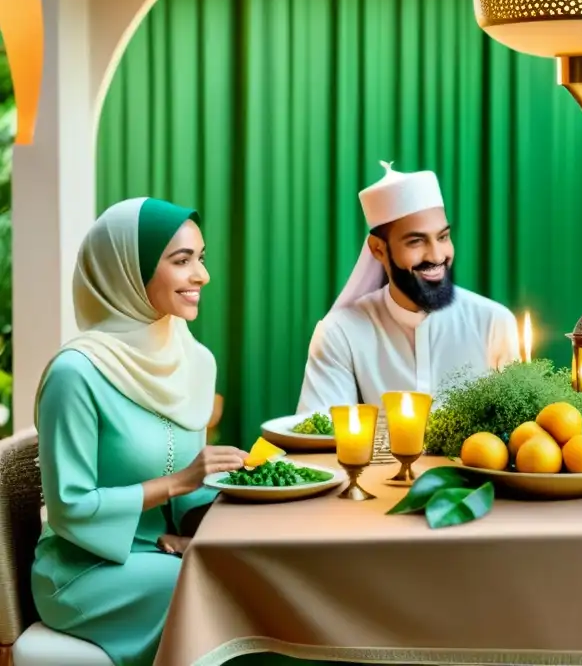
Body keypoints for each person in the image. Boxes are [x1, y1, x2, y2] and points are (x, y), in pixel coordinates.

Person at [31, 197, 249, 666]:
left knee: (261, 578)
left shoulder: (194, 360)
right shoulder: (77, 374)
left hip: (164, 554)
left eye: (201, 258)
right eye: (181, 261)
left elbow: (190, 500)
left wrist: (227, 521)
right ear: (127, 270)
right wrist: (178, 483)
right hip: (85, 570)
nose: (201, 276)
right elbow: (69, 508)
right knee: (215, 594)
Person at [297, 161, 520, 415]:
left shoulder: (494, 323)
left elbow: (518, 435)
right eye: (416, 241)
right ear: (378, 249)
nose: (437, 256)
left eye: (443, 237)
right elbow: (318, 433)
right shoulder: (340, 332)